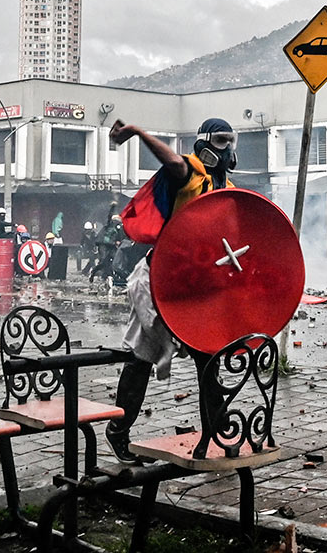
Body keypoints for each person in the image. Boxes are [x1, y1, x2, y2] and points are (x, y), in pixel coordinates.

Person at [102, 116, 237, 464]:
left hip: (194, 284)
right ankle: (118, 431)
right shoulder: (190, 173)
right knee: (142, 358)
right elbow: (173, 162)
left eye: (231, 141)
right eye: (222, 141)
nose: (228, 149)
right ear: (205, 144)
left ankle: (216, 434)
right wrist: (137, 130)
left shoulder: (226, 187)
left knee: (208, 358)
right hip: (158, 279)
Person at [88, 215, 124, 284]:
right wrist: (114, 242)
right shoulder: (107, 227)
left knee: (115, 259)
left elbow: (119, 237)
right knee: (104, 261)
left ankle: (111, 275)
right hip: (104, 245)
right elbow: (104, 239)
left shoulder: (118, 228)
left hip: (111, 246)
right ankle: (95, 272)